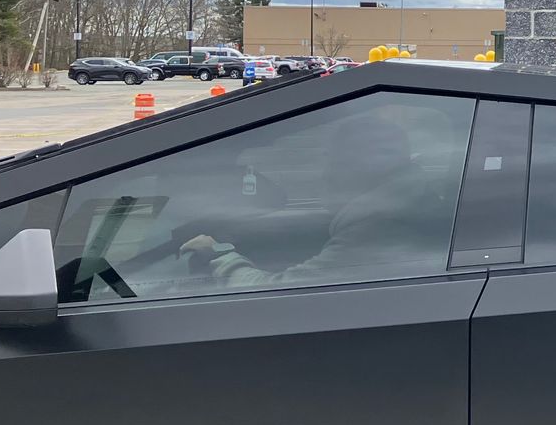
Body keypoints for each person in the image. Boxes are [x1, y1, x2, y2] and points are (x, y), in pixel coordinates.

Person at [179, 109, 443, 290]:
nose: (324, 172)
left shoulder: (377, 228)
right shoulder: (401, 206)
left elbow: (277, 295)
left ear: (359, 168)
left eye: (332, 160)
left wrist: (220, 255)